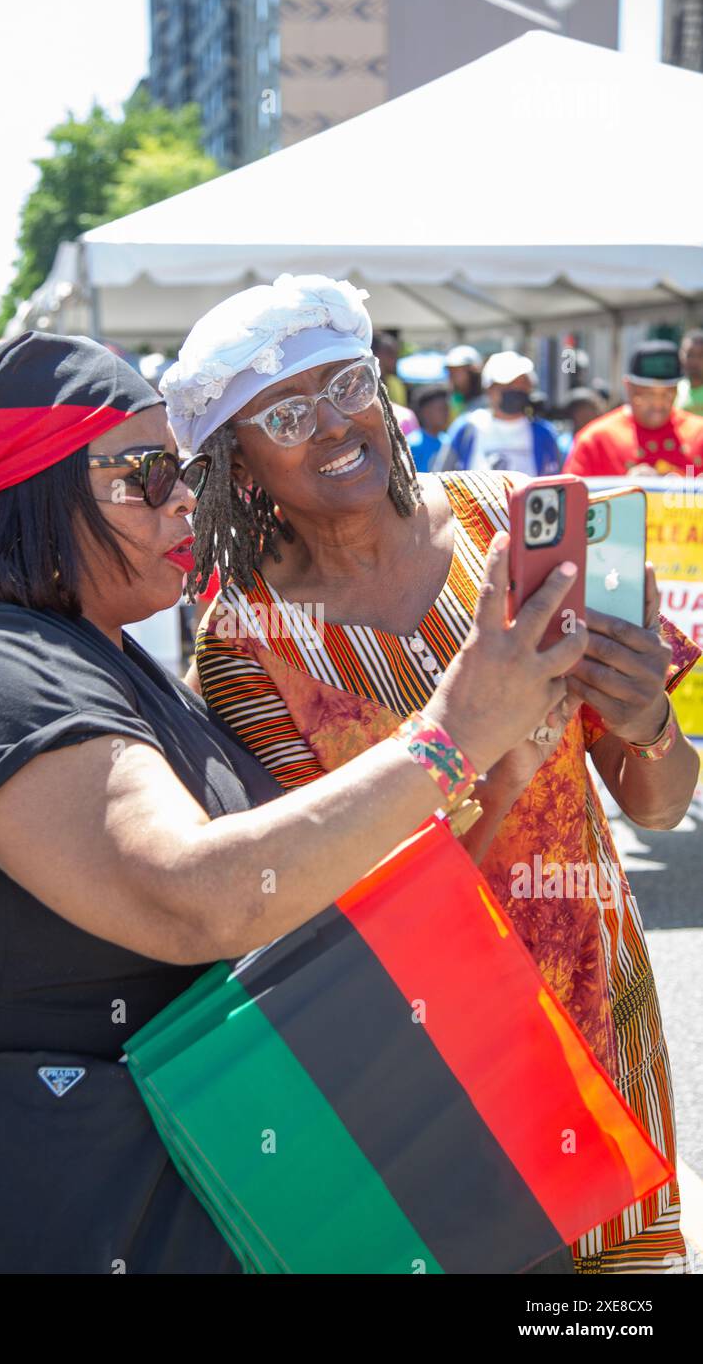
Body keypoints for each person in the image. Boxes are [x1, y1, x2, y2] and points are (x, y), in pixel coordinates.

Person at [0, 328, 589, 1274]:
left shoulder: (106, 658)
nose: (182, 494)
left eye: (181, 468)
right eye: (144, 472)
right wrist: (453, 734)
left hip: (182, 1184)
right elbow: (193, 896)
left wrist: (507, 766)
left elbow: (311, 904)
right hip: (51, 1205)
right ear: (35, 493)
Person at [166, 274, 701, 1274]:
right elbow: (316, 898)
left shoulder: (521, 533)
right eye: (287, 412)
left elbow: (659, 807)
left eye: (348, 384)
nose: (334, 423)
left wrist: (647, 721)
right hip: (423, 1051)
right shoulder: (247, 645)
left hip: (596, 1006)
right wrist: (481, 738)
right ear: (237, 464)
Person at [564, 340, 703, 479]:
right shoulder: (595, 441)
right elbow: (570, 496)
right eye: (647, 394)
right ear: (628, 387)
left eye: (668, 394)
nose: (657, 404)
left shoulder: (699, 433)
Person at [437, 351, 562, 476]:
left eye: (521, 384)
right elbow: (441, 477)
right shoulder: (467, 428)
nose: (515, 390)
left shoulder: (544, 433)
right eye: (507, 385)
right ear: (489, 389)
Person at [410, 383, 450, 470]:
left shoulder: (448, 442)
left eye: (447, 409)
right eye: (441, 409)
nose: (446, 414)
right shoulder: (413, 444)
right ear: (425, 412)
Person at [444, 344, 485, 421]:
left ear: (472, 372)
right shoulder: (451, 401)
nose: (451, 376)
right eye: (450, 371)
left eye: (456, 371)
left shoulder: (488, 404)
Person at [677, 328, 703, 417]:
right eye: (689, 354)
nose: (695, 361)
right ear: (680, 355)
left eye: (701, 355)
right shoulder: (673, 390)